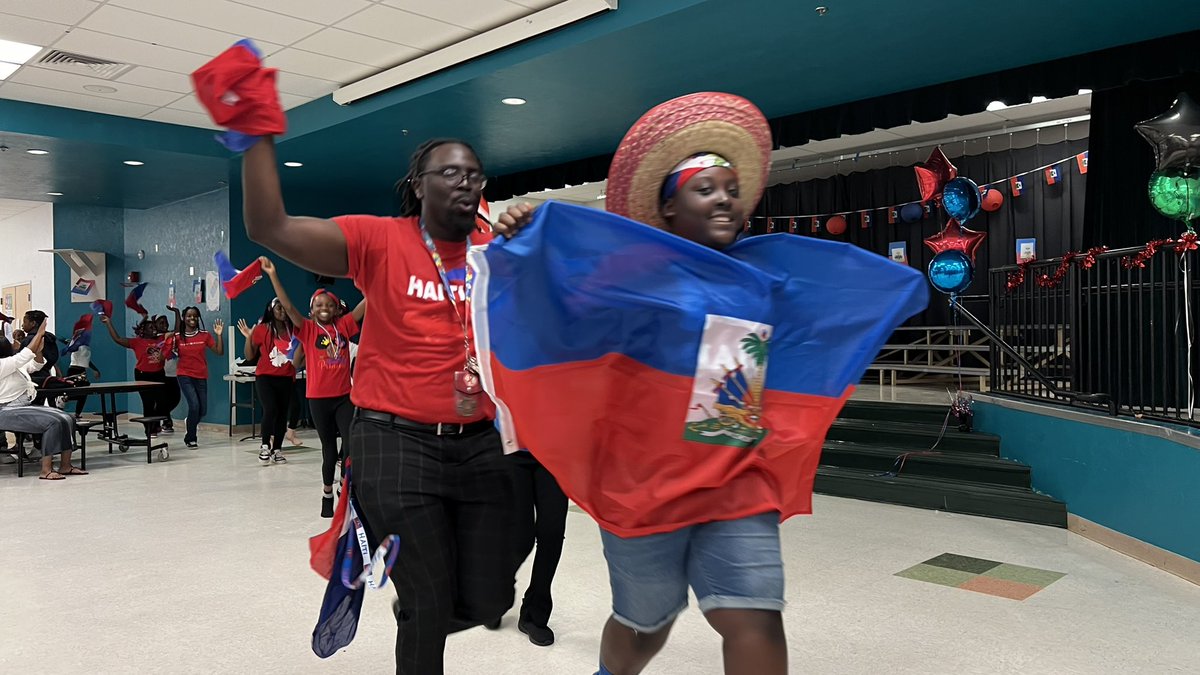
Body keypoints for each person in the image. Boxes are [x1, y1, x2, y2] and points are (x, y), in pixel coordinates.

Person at [494, 93, 788, 675]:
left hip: (734, 482)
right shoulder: (628, 277)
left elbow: (728, 405)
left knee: (754, 616)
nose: (725, 197)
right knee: (643, 627)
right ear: (670, 208)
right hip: (643, 487)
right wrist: (521, 246)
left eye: (731, 188)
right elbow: (555, 323)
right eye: (707, 188)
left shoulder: (755, 283)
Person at [241, 134, 514, 673]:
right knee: (429, 597)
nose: (465, 181)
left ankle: (430, 602)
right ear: (418, 186)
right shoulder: (379, 239)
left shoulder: (497, 254)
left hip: (479, 437)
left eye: (474, 174)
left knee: (493, 594)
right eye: (449, 172)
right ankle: (422, 605)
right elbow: (270, 227)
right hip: (394, 441)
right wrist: (256, 136)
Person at [260, 257, 367, 517]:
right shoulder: (306, 329)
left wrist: (375, 279)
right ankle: (326, 493)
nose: (324, 307)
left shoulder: (343, 326)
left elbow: (367, 303)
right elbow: (286, 305)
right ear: (312, 309)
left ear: (336, 309)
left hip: (344, 397)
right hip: (318, 399)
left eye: (329, 304)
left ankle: (345, 485)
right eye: (319, 304)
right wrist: (273, 275)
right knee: (329, 450)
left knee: (351, 444)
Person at [490, 451, 568, 646]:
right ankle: (495, 597)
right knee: (517, 536)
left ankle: (535, 614)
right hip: (512, 450)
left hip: (555, 453)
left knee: (552, 532)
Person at [0, 317, 86, 480]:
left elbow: (35, 365)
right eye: (10, 345)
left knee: (67, 418)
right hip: (6, 410)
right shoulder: (3, 365)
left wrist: (38, 350)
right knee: (52, 422)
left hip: (21, 406)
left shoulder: (11, 365)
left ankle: (65, 466)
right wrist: (39, 334)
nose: (14, 345)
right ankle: (46, 470)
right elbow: (22, 357)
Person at [237, 297, 296, 465]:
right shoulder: (262, 329)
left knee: (282, 414)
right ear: (271, 310)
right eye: (278, 308)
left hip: (285, 377)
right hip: (265, 377)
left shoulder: (293, 330)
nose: (282, 311)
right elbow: (249, 356)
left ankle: (277, 449)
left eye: (285, 308)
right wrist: (249, 336)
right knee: (270, 409)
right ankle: (264, 445)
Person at [99, 313, 170, 434]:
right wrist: (109, 323)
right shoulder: (137, 342)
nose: (154, 330)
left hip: (159, 374)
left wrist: (176, 313)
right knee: (148, 402)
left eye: (154, 327)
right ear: (143, 331)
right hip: (143, 374)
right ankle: (149, 429)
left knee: (162, 401)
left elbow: (178, 331)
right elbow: (117, 339)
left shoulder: (161, 338)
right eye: (151, 328)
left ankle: (156, 424)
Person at [174, 306, 225, 448]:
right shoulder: (178, 336)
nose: (192, 319)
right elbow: (170, 352)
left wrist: (219, 335)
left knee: (202, 410)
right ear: (184, 318)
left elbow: (219, 352)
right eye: (189, 316)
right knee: (194, 405)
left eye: (195, 316)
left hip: (201, 375)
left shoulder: (204, 335)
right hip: (184, 374)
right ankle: (191, 437)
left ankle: (190, 421)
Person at [157, 313, 182, 434]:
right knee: (162, 399)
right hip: (161, 374)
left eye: (166, 322)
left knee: (175, 398)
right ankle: (166, 421)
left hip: (173, 373)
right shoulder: (156, 338)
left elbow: (177, 330)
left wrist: (177, 313)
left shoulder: (171, 336)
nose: (164, 325)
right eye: (161, 323)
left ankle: (159, 416)